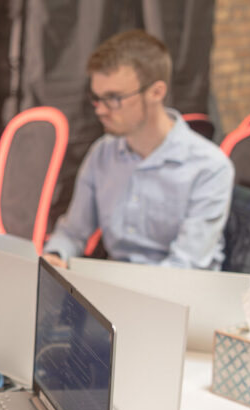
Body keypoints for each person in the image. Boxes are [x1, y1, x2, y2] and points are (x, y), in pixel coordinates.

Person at [43, 29, 234, 270]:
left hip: (180, 294)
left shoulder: (209, 166)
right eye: (97, 98)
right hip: (119, 288)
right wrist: (56, 256)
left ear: (156, 92)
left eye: (114, 98)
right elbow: (73, 233)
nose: (100, 110)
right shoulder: (102, 153)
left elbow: (186, 266)